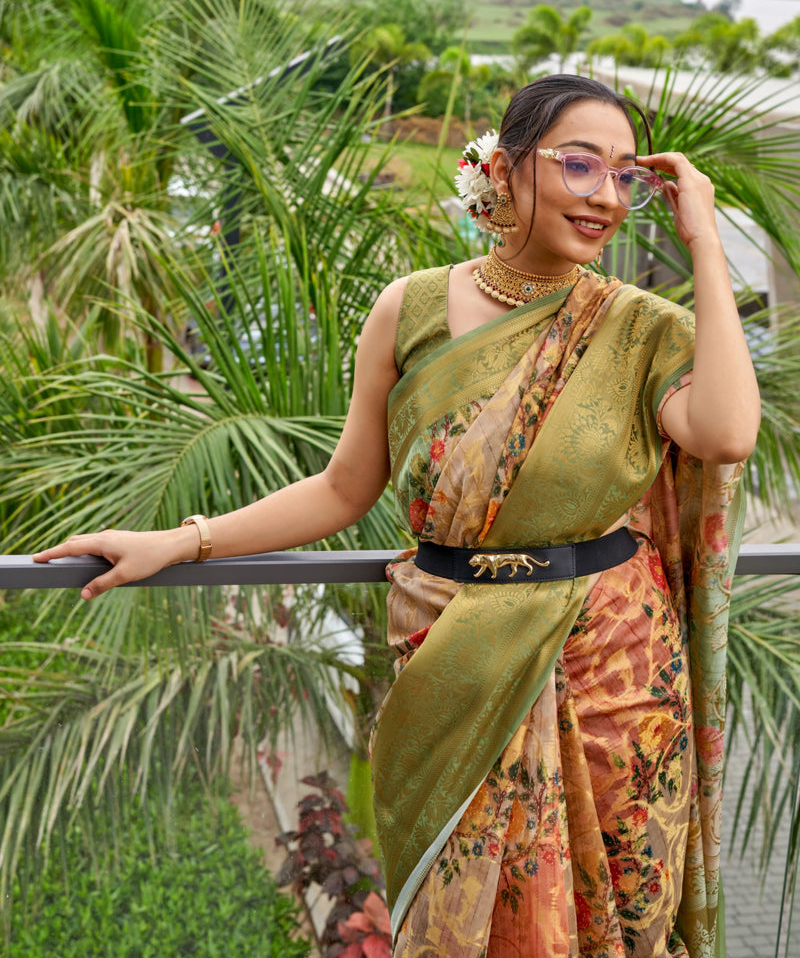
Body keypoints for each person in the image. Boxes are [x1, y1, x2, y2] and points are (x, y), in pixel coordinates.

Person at [33, 75, 760, 957]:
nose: (605, 195)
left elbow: (724, 432)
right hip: (449, 659)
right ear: (503, 167)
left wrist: (706, 244)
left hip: (615, 675)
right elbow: (346, 488)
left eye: (624, 176)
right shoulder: (410, 307)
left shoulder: (644, 328)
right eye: (578, 165)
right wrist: (181, 541)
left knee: (620, 925)